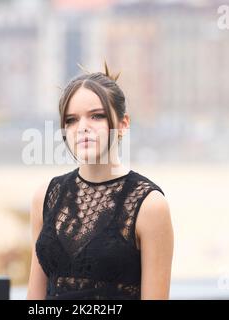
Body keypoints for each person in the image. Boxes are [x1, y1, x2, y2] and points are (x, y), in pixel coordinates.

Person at [27, 62, 174, 300]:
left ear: (123, 124)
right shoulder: (45, 196)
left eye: (96, 116)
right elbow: (35, 297)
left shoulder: (149, 205)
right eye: (72, 120)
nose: (82, 128)